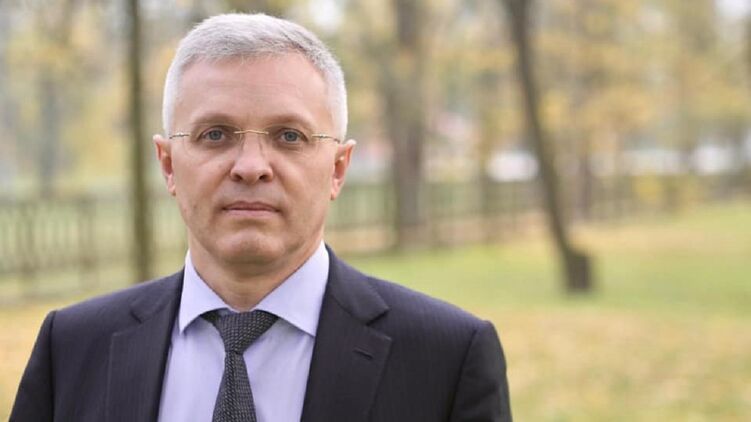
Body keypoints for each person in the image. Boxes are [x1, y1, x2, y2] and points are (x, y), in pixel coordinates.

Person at [11, 13, 511, 422]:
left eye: (289, 136)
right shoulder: (72, 349)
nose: (251, 167)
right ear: (168, 165)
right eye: (215, 134)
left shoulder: (446, 359)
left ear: (338, 169)